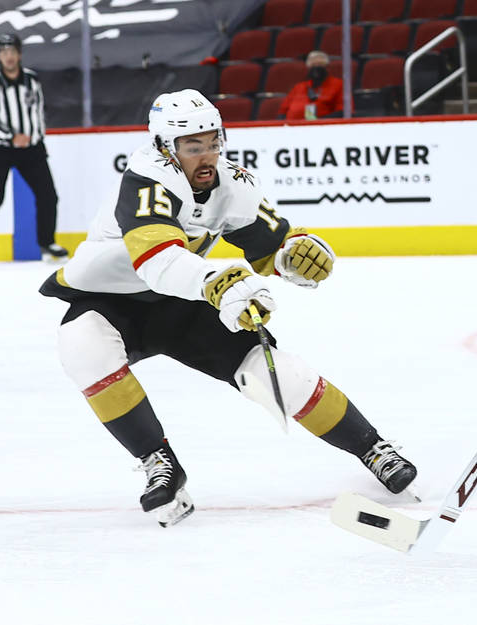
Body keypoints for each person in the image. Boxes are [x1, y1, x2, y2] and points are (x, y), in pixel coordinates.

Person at [37, 90, 417, 527]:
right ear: (166, 148)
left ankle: (371, 447)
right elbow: (157, 261)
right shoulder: (145, 177)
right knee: (81, 344)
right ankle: (158, 461)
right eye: (193, 146)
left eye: (213, 142)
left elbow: (271, 244)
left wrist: (291, 255)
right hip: (110, 301)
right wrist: (215, 282)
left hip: (184, 297)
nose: (207, 156)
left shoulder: (233, 183)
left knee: (274, 372)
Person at [0, 34, 67, 261]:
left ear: (19, 54)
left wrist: (35, 138)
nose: (9, 57)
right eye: (4, 52)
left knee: (48, 195)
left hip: (31, 149)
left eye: (12, 52)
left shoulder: (32, 80)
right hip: (1, 150)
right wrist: (10, 138)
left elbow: (38, 113)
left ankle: (47, 244)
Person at [281, 51, 345, 121]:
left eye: (320, 65)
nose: (316, 68)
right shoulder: (299, 87)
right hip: (291, 126)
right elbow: (283, 111)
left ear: (327, 67)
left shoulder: (338, 84)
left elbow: (342, 111)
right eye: (313, 65)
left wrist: (316, 122)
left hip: (320, 126)